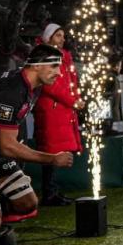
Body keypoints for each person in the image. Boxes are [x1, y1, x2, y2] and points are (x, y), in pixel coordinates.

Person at [0, 44, 74, 245]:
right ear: (37, 66)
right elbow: (7, 146)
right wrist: (52, 159)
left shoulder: (31, 85)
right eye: (54, 66)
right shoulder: (12, 90)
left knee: (27, 203)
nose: (58, 72)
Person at [33, 24, 83, 206]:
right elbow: (50, 85)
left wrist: (75, 98)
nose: (62, 39)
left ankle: (52, 191)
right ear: (49, 38)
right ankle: (49, 193)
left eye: (63, 35)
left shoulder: (62, 58)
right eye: (58, 35)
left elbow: (69, 83)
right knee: (50, 150)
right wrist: (73, 100)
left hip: (60, 109)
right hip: (52, 109)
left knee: (56, 150)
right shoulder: (44, 57)